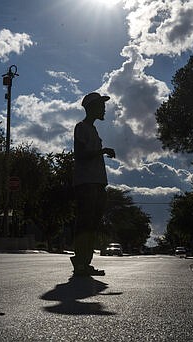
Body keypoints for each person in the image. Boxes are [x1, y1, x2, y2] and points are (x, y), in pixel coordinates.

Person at [71, 92, 115, 276]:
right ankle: (79, 263)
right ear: (92, 108)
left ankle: (85, 263)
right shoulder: (81, 127)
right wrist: (101, 151)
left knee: (93, 224)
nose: (104, 109)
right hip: (86, 182)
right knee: (85, 222)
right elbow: (79, 155)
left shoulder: (94, 130)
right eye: (101, 105)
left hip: (97, 183)